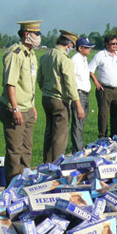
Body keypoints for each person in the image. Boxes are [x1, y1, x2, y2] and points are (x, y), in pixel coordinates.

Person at [0, 20, 42, 185]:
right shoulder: (15, 54)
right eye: (36, 34)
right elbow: (10, 84)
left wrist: (33, 106)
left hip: (28, 108)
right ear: (26, 34)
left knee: (26, 149)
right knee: (15, 151)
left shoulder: (30, 54)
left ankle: (25, 182)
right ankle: (12, 187)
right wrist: (15, 108)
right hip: (14, 109)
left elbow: (28, 85)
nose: (39, 37)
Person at [37, 30, 85, 164]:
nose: (72, 48)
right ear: (69, 44)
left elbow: (39, 77)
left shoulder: (46, 55)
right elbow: (70, 84)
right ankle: (57, 165)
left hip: (46, 98)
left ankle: (46, 163)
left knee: (49, 132)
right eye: (72, 46)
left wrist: (45, 88)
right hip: (59, 100)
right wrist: (78, 105)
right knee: (60, 135)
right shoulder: (64, 59)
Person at [89, 35, 117, 138]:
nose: (115, 46)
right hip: (104, 90)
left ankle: (114, 136)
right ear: (106, 44)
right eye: (112, 44)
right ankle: (103, 137)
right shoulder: (100, 55)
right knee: (104, 115)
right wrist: (96, 83)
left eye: (116, 44)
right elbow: (90, 70)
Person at [70, 37, 95, 153]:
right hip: (78, 94)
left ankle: (79, 147)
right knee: (78, 123)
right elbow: (72, 81)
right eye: (87, 47)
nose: (89, 49)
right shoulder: (75, 60)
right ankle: (77, 150)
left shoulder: (84, 59)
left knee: (82, 122)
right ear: (80, 48)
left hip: (85, 94)